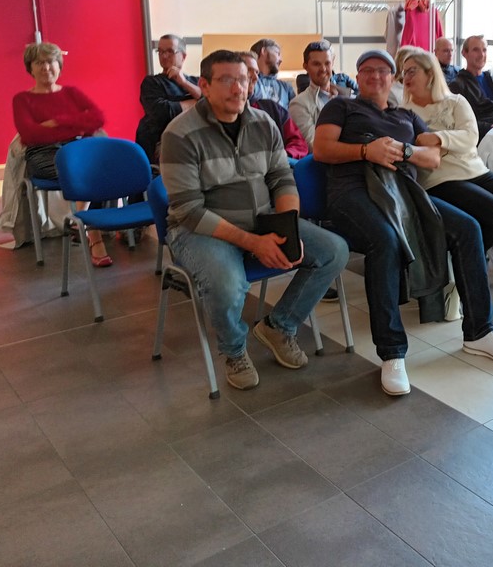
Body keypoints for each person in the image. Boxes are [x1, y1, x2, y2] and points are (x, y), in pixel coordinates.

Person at [313, 49, 493, 397]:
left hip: (404, 193)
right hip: (354, 192)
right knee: (385, 241)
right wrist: (366, 151)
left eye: (383, 70)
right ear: (357, 76)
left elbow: (432, 157)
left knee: (468, 228)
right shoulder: (341, 107)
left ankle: (480, 331)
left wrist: (405, 150)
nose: (375, 75)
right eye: (367, 70)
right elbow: (322, 149)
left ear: (392, 78)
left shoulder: (405, 116)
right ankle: (392, 353)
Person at [159, 50, 348, 390]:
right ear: (204, 85)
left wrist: (287, 227)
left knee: (333, 251)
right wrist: (253, 243)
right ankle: (234, 350)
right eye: (227, 80)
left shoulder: (263, 123)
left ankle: (279, 326)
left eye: (244, 80)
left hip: (261, 219)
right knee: (227, 283)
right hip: (200, 230)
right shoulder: (180, 134)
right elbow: (189, 210)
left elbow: (281, 179)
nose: (238, 88)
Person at [400, 47, 493, 288]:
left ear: (430, 74)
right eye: (404, 72)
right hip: (440, 180)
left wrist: (437, 138)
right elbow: (418, 148)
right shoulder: (405, 113)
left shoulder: (456, 102)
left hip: (476, 171)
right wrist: (448, 141)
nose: (405, 77)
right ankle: (461, 274)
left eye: (412, 71)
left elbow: (470, 137)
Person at [12, 41, 113, 267]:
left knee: (102, 169)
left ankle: (79, 220)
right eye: (39, 63)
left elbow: (97, 118)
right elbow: (30, 133)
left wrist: (56, 122)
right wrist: (75, 124)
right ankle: (92, 233)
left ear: (59, 65)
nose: (46, 67)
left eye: (51, 61)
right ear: (30, 68)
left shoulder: (71, 93)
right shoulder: (22, 99)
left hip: (75, 148)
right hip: (43, 154)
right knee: (83, 173)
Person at [135, 34, 202, 165]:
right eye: (160, 51)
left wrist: (184, 83)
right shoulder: (151, 82)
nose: (164, 56)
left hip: (193, 141)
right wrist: (197, 103)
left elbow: (213, 104)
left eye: (170, 51)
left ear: (183, 56)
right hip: (159, 144)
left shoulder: (196, 82)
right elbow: (163, 112)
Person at [238, 52, 309, 160]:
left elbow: (298, 142)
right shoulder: (222, 112)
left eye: (257, 72)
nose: (255, 77)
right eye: (248, 70)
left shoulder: (272, 109)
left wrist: (283, 157)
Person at [289, 39, 356, 151]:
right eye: (316, 64)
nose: (323, 69)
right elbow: (315, 145)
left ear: (332, 63)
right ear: (306, 66)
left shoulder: (350, 97)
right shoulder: (299, 104)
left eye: (327, 63)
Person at [249, 38, 295, 108]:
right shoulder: (249, 82)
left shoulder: (286, 87)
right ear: (263, 51)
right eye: (277, 53)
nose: (281, 60)